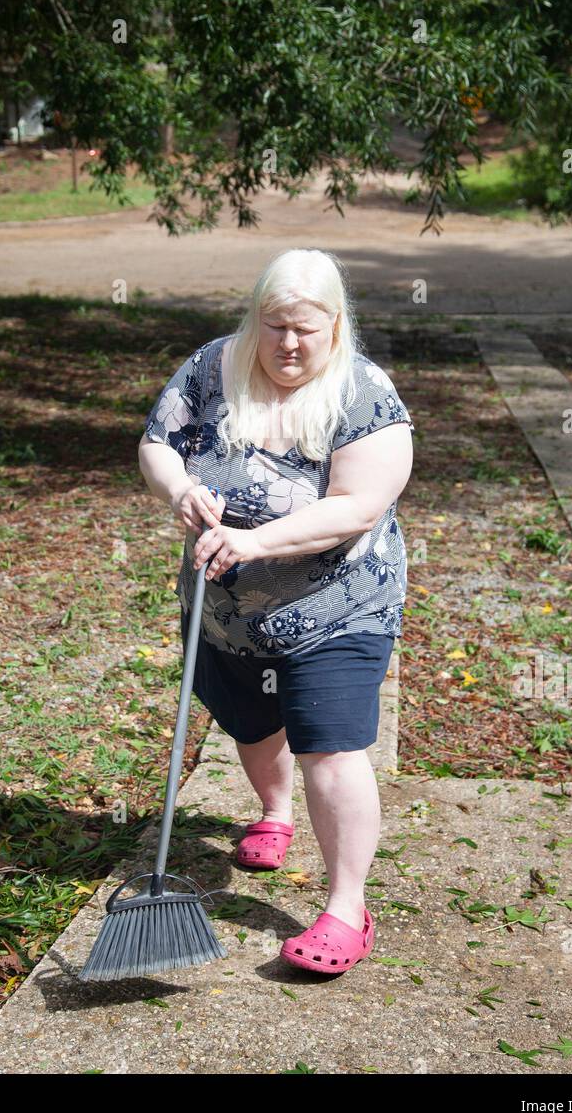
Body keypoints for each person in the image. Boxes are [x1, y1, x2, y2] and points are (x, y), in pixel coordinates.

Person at [138, 247, 414, 974]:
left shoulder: (364, 394)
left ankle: (346, 910)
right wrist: (179, 490)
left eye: (306, 329)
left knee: (330, 744)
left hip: (337, 604)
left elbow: (357, 506)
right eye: (275, 325)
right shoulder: (213, 366)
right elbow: (158, 444)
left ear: (336, 326)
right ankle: (274, 812)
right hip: (225, 606)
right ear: (254, 319)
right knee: (253, 724)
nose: (288, 344)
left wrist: (255, 540)